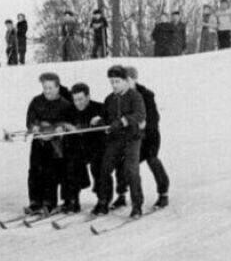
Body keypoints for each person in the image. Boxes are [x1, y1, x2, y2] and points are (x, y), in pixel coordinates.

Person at [90, 65, 146, 218]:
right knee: (105, 167)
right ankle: (103, 201)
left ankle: (137, 205)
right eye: (112, 82)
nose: (114, 85)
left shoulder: (135, 96)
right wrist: (101, 122)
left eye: (117, 81)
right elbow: (107, 118)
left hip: (132, 138)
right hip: (115, 139)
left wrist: (124, 121)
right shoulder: (109, 99)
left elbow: (140, 115)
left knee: (131, 170)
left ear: (126, 81)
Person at [111, 67, 170, 209]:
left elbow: (154, 118)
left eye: (129, 80)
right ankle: (122, 194)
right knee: (122, 162)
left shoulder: (146, 95)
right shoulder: (120, 95)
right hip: (132, 137)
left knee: (152, 159)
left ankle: (163, 193)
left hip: (149, 137)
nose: (126, 83)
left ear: (134, 79)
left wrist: (142, 124)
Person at [25, 73, 73, 214]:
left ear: (58, 87)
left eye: (50, 88)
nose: (47, 91)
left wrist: (60, 128)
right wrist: (34, 127)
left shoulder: (65, 104)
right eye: (45, 87)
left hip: (55, 145)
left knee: (51, 172)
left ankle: (49, 202)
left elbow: (67, 122)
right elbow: (30, 120)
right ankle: (35, 201)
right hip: (39, 142)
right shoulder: (36, 101)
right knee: (35, 170)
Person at [61, 83, 104, 213]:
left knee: (98, 167)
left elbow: (108, 120)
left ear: (88, 97)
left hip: (96, 147)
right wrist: (68, 126)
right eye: (75, 100)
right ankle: (73, 200)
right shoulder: (69, 110)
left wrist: (100, 120)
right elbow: (63, 121)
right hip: (78, 148)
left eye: (81, 99)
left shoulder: (99, 107)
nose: (78, 103)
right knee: (70, 164)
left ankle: (103, 200)